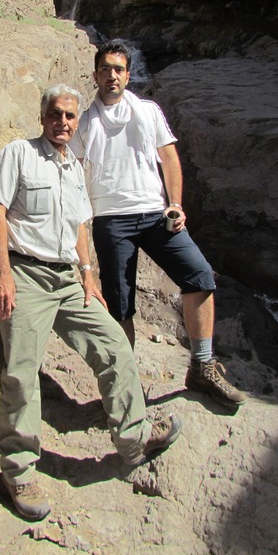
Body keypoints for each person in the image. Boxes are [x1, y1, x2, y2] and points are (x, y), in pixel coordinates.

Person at [0, 84, 182, 522]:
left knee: (113, 345)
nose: (64, 122)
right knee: (20, 374)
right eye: (56, 114)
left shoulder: (74, 167)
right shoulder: (19, 153)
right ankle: (19, 472)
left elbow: (80, 225)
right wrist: (2, 274)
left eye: (71, 116)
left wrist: (88, 274)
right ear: (43, 116)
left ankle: (134, 439)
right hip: (27, 275)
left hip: (69, 280)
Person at [69, 41, 246, 410]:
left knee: (199, 276)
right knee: (120, 306)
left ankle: (201, 365)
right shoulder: (85, 122)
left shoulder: (148, 111)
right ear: (96, 75)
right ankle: (127, 386)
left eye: (118, 69)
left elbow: (169, 158)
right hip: (110, 220)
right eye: (105, 69)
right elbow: (70, 170)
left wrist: (175, 204)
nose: (112, 75)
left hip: (154, 215)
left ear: (128, 75)